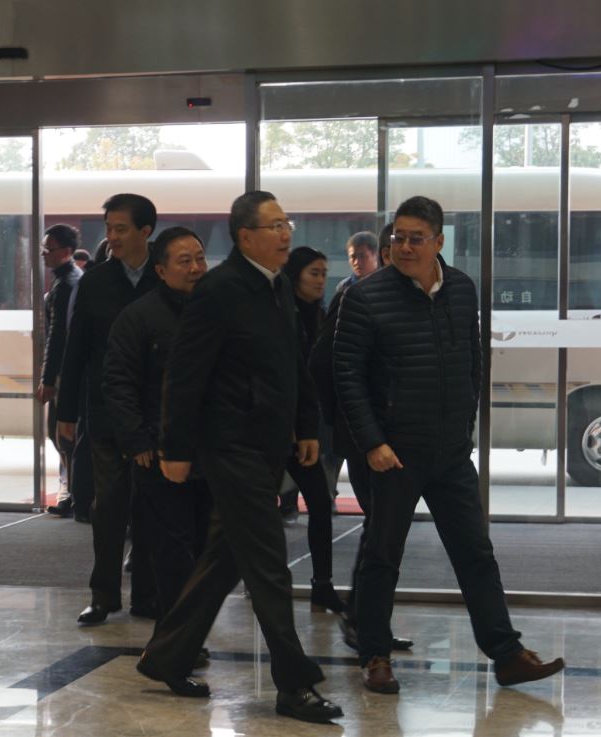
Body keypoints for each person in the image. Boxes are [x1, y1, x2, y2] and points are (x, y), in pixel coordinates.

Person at [334, 196, 565, 694]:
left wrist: (465, 423)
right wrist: (372, 442)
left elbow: (472, 359)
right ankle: (375, 655)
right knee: (382, 556)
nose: (405, 247)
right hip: (394, 454)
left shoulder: (461, 288)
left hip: (451, 452)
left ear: (439, 241)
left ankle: (506, 654)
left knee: (475, 553)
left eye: (416, 238)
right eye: (398, 237)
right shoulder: (366, 297)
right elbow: (345, 375)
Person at [136, 191, 343, 725]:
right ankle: (293, 684)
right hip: (231, 446)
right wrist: (176, 448)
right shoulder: (220, 289)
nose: (286, 233)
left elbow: (293, 361)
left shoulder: (277, 285)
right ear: (246, 236)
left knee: (224, 558)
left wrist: (306, 425)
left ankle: (167, 656)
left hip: (267, 444)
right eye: (275, 225)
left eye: (286, 222)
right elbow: (185, 374)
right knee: (270, 567)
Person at [308, 228, 415, 654]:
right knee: (380, 532)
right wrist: (347, 421)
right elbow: (324, 363)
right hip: (367, 438)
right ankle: (363, 624)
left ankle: (368, 623)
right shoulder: (356, 298)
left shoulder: (408, 299)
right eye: (402, 247)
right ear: (386, 254)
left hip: (399, 437)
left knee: (384, 533)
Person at [57, 194, 159, 623]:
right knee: (109, 506)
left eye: (120, 229)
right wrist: (66, 412)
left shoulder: (165, 274)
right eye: (109, 228)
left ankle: (148, 595)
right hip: (105, 411)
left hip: (155, 414)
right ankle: (103, 595)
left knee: (151, 507)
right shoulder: (96, 281)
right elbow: (75, 348)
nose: (111, 237)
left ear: (145, 231)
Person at [104, 226, 212, 620]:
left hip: (210, 450)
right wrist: (137, 440)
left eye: (199, 258)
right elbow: (118, 382)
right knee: (172, 547)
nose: (196, 268)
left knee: (204, 544)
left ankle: (186, 630)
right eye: (185, 261)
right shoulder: (139, 317)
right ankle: (176, 632)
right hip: (157, 451)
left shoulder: (215, 312)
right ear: (162, 270)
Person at [277, 246, 344, 614]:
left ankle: (322, 585)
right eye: (314, 273)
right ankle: (264, 583)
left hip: (305, 430)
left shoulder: (319, 315)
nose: (321, 281)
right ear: (295, 275)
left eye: (323, 274)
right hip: (274, 429)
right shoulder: (278, 313)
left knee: (319, 502)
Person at [36, 224, 84, 519]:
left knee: (61, 435)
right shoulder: (71, 279)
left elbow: (57, 336)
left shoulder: (66, 284)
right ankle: (73, 493)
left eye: (48, 249)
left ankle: (73, 495)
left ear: (66, 251)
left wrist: (48, 378)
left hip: (65, 374)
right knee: (65, 437)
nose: (44, 254)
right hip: (69, 371)